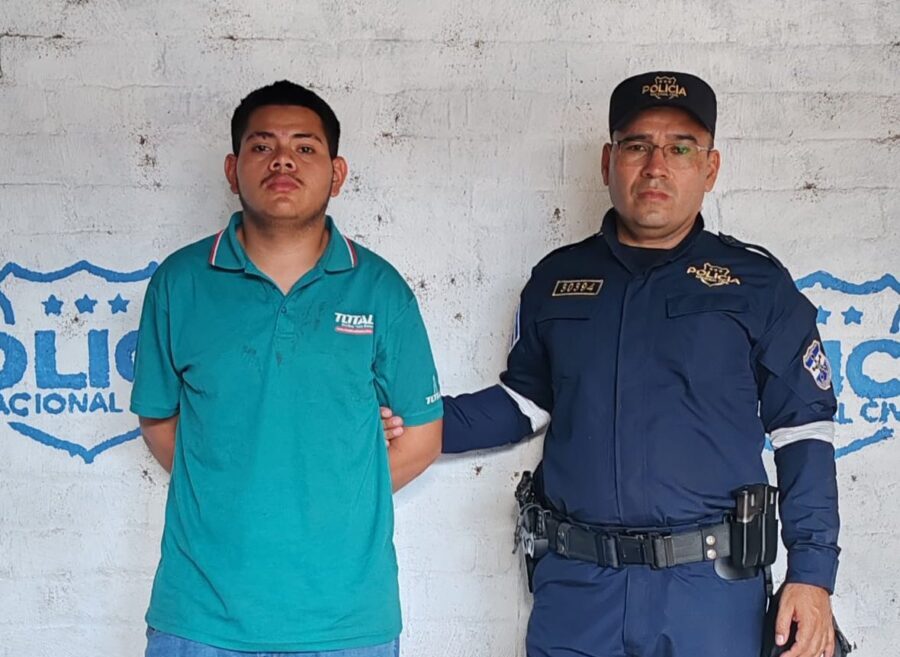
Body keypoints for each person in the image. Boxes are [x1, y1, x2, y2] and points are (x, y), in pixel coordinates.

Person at [383, 71, 840, 657]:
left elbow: (804, 430)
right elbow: (523, 404)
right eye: (636, 145)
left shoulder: (756, 284)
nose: (656, 166)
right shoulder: (556, 280)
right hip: (578, 593)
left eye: (680, 148)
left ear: (710, 168)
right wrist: (410, 422)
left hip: (708, 598)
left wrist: (812, 573)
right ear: (608, 162)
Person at [131, 80, 444, 657]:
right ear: (233, 170)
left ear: (337, 173)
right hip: (200, 618)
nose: (282, 160)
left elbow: (422, 438)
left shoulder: (380, 290)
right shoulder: (179, 283)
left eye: (305, 147)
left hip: (346, 623)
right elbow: (159, 421)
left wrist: (333, 484)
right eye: (262, 146)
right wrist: (239, 485)